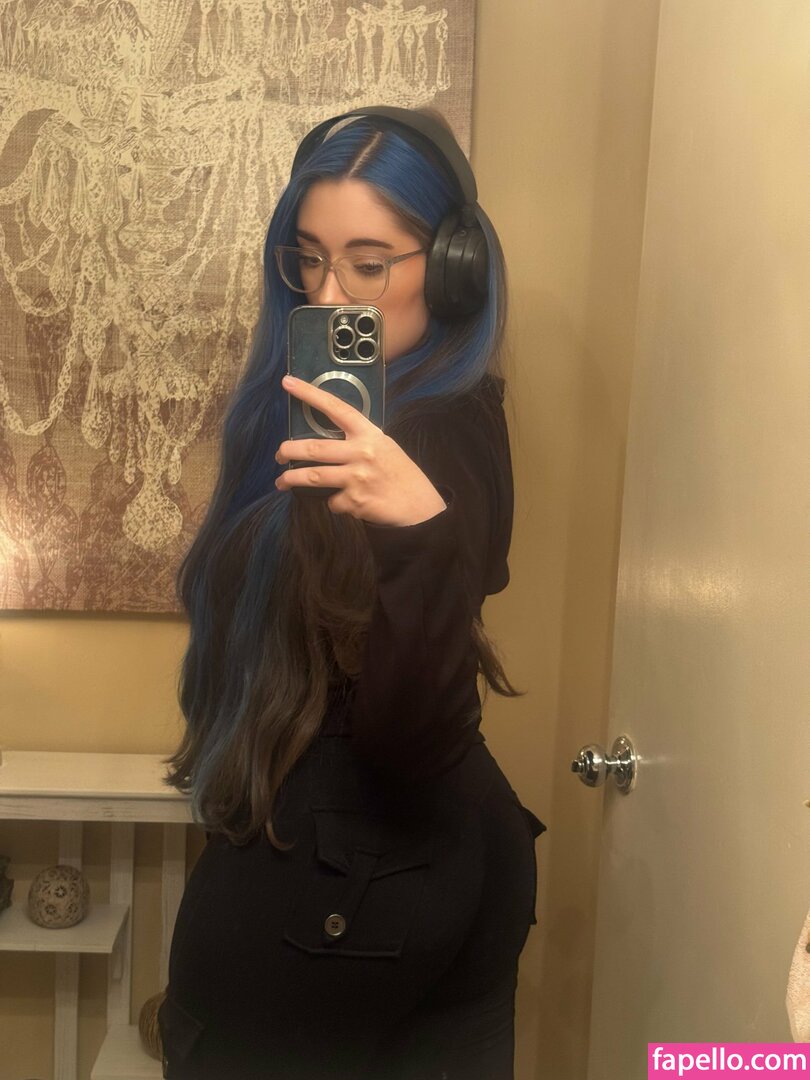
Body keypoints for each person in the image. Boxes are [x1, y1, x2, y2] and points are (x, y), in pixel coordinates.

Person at [158, 106, 545, 1080]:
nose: (331, 294)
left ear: (451, 270)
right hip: (340, 870)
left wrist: (418, 531)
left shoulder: (443, 429)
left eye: (369, 264)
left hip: (361, 882)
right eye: (310, 258)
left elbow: (413, 734)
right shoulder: (319, 411)